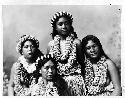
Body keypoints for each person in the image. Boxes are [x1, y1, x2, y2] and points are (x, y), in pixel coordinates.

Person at [47, 11, 86, 95]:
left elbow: (83, 63)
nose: (64, 26)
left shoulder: (76, 43)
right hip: (58, 83)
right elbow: (49, 65)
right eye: (60, 24)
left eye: (66, 23)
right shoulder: (51, 45)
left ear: (70, 25)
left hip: (75, 81)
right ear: (55, 28)